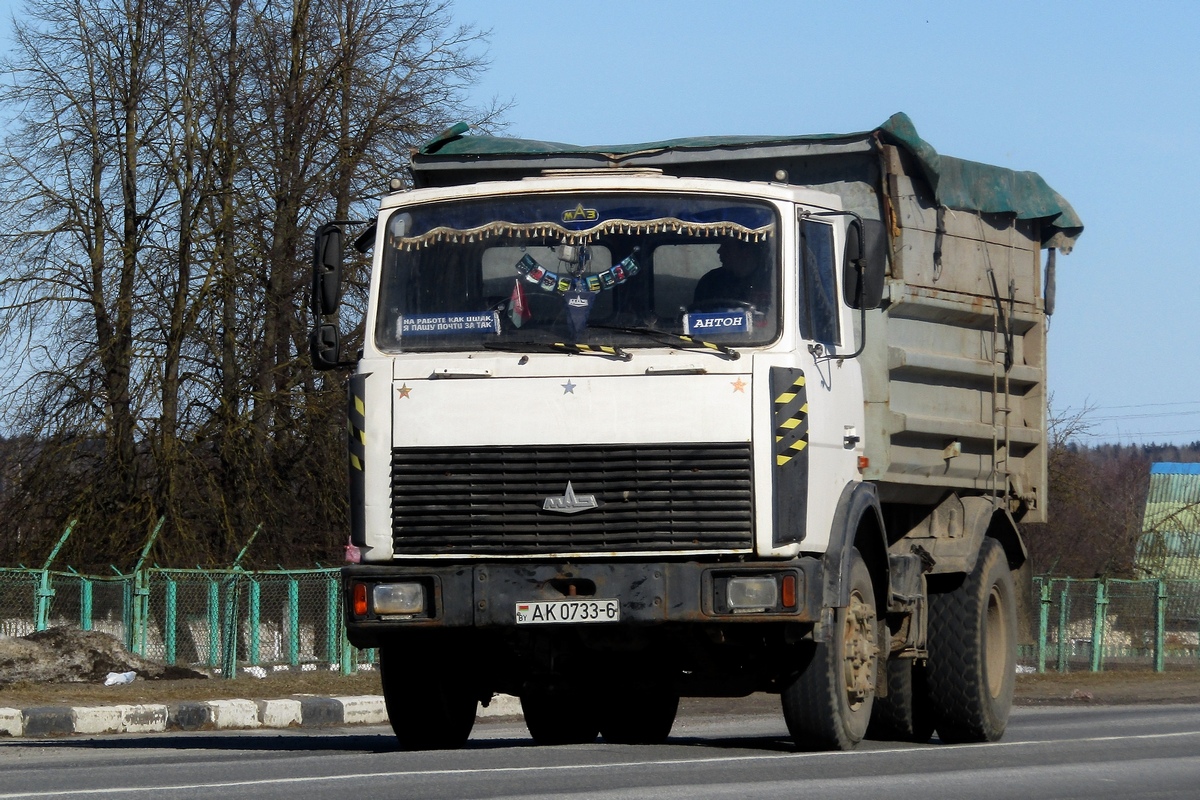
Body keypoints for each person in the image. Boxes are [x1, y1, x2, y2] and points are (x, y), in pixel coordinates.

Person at [692, 238, 770, 309]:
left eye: (726, 247)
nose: (719, 251)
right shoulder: (710, 281)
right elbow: (696, 314)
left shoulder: (773, 280)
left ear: (746, 251)